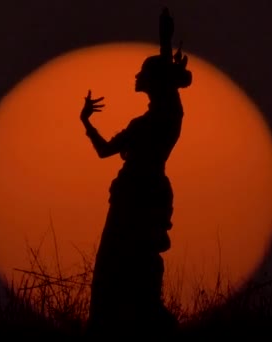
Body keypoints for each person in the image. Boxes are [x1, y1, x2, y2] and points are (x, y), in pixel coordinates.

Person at [82, 8, 192, 337]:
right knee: (114, 265)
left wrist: (164, 41)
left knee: (135, 264)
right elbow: (104, 152)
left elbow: (168, 87)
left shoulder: (167, 114)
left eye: (142, 72)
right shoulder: (142, 122)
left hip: (143, 194)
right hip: (131, 193)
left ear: (154, 81)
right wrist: (86, 122)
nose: (136, 75)